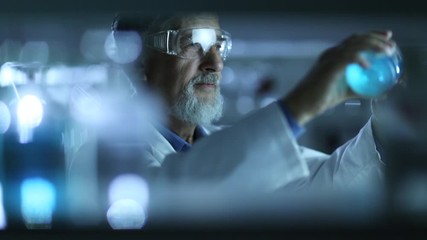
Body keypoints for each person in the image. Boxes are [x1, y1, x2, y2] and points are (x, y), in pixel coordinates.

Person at [66, 11, 398, 227]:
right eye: (190, 44)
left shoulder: (229, 145)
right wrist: (302, 103)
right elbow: (176, 202)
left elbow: (329, 182)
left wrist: (385, 124)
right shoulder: (103, 159)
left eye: (218, 44)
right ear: (138, 61)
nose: (214, 63)